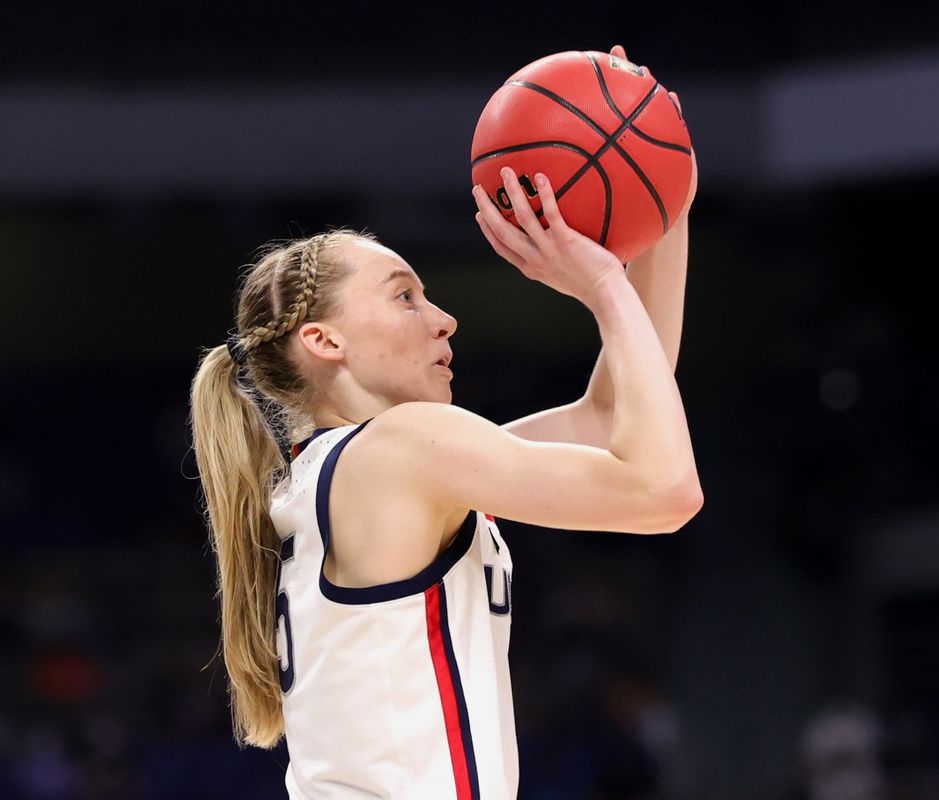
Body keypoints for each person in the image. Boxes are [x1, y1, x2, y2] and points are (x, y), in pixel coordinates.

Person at [187, 45, 702, 800]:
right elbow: (665, 491)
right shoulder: (401, 452)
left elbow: (613, 414)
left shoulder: (372, 470)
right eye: (405, 297)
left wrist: (666, 198)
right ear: (324, 342)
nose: (444, 319)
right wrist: (599, 283)